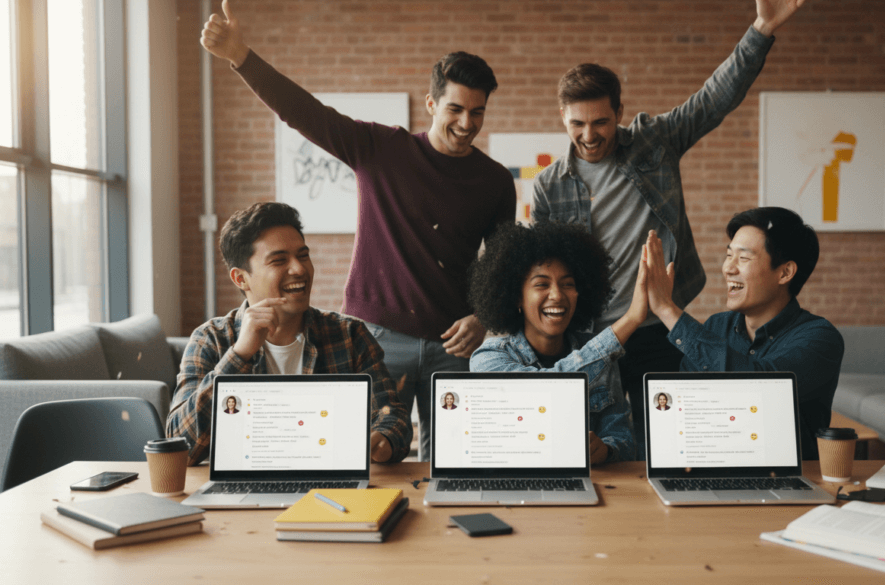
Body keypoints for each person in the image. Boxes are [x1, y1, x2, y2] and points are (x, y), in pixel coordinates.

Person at [200, 0, 516, 460]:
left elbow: (503, 265)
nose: (467, 123)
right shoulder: (380, 148)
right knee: (366, 457)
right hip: (376, 339)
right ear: (431, 103)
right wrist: (241, 56)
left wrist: (483, 319)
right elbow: (304, 112)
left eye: (478, 112)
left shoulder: (495, 181)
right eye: (455, 109)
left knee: (454, 463)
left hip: (456, 344)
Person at [531, 0, 806, 458]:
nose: (590, 134)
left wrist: (761, 29)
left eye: (601, 121)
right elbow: (543, 269)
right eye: (577, 123)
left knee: (662, 443)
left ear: (619, 111)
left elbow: (713, 99)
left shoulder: (654, 142)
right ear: (563, 117)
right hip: (588, 334)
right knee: (585, 446)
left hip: (657, 326)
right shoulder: (548, 187)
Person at [166, 202, 412, 466]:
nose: (299, 269)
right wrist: (239, 355)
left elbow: (391, 416)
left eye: (303, 255)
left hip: (330, 488)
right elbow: (181, 447)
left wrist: (383, 441)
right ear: (241, 279)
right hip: (244, 486)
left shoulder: (349, 334)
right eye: (279, 260)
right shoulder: (210, 339)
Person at [644, 207, 843, 460]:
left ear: (785, 272)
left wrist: (666, 309)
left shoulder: (820, 338)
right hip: (710, 466)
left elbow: (760, 387)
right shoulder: (717, 327)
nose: (728, 268)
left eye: (744, 258)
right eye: (729, 255)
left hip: (788, 477)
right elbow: (685, 405)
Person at [468, 222, 648, 464]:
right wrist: (630, 320)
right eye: (542, 284)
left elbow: (625, 442)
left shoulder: (601, 357)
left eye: (568, 284)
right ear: (516, 297)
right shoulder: (487, 359)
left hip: (589, 485)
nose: (557, 295)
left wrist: (604, 449)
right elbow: (547, 389)